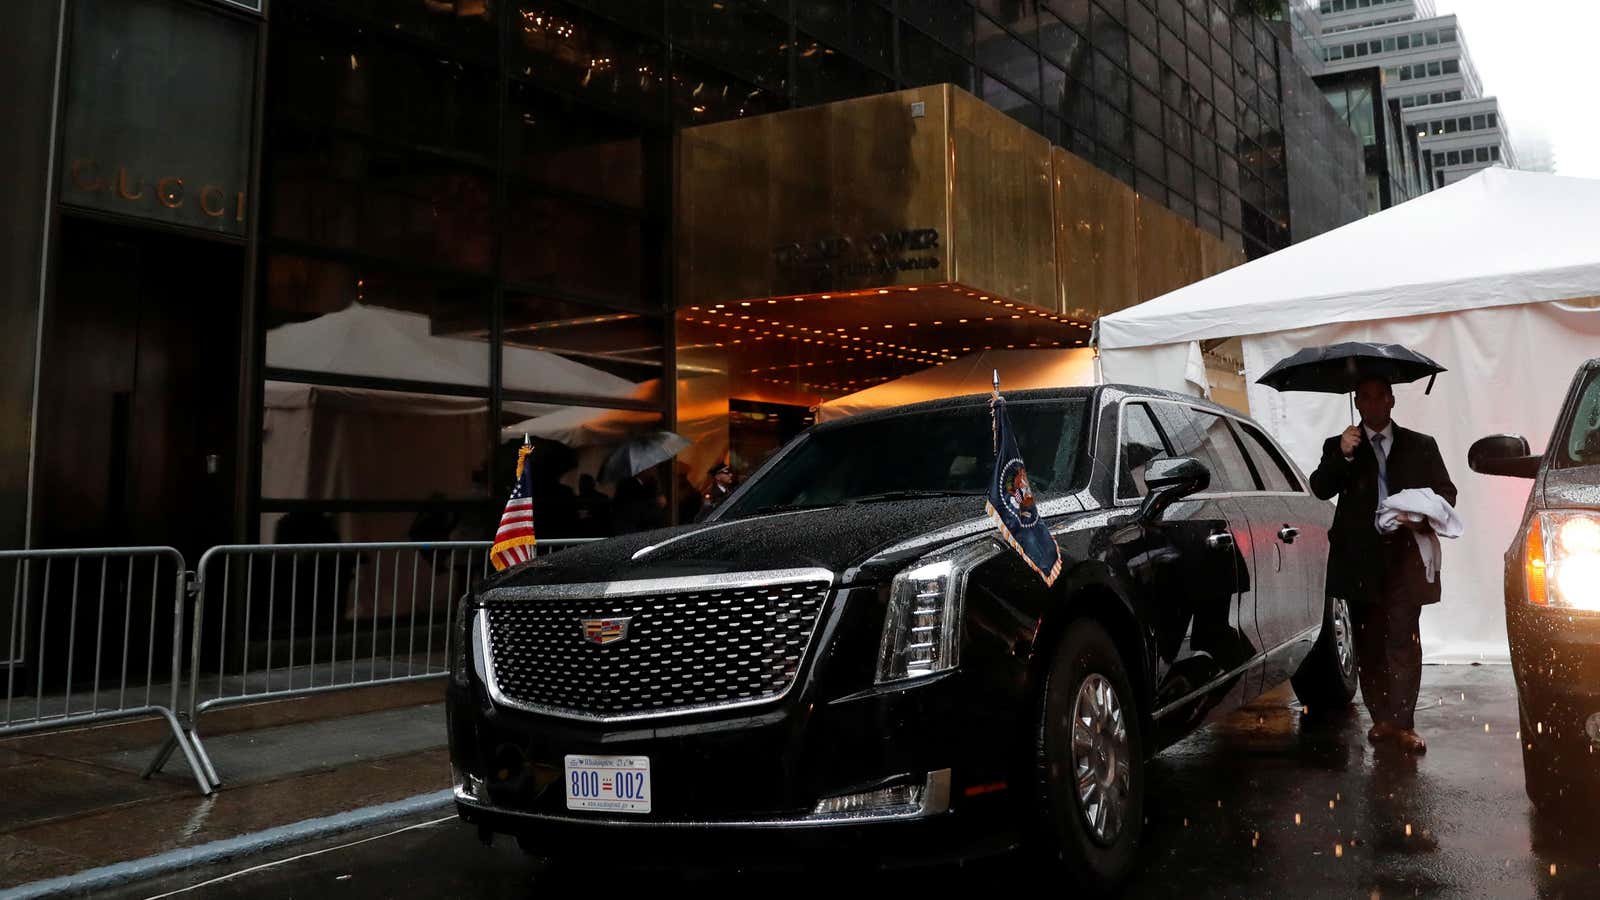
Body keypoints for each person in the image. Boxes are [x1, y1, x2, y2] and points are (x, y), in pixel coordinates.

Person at [1310, 378, 1457, 755]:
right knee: (1369, 640)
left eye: (1380, 395)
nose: (1374, 403)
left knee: (1403, 639)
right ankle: (1382, 718)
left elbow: (1446, 493)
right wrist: (1342, 453)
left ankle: (1405, 722)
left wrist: (1419, 517)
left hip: (1405, 556)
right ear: (1357, 402)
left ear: (1391, 400)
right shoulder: (1341, 446)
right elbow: (1320, 487)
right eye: (1365, 397)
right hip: (1359, 559)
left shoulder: (1421, 445)